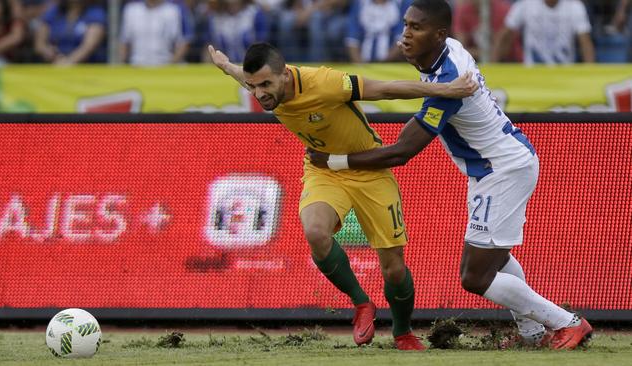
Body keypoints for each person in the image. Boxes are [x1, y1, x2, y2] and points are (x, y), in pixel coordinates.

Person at [307, 0, 593, 350]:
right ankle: (533, 333)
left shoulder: (449, 81)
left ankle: (567, 322)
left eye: (417, 28)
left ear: (440, 34)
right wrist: (415, 54)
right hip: (495, 167)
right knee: (497, 258)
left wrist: (334, 161)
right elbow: (422, 102)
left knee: (475, 276)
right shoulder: (445, 52)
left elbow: (401, 153)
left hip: (503, 170)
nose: (406, 34)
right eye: (407, 25)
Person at [209, 41, 477, 350]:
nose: (259, 94)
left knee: (393, 268)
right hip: (323, 168)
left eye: (266, 84)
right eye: (254, 87)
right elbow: (244, 75)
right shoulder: (264, 85)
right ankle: (362, 304)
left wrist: (448, 89)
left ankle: (402, 333)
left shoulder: (325, 83)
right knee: (315, 231)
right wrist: (225, 65)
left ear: (285, 75)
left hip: (369, 168)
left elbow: (386, 89)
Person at [492, 0, 595, 65]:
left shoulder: (575, 6)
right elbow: (505, 36)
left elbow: (585, 43)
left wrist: (589, 73)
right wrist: (493, 66)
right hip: (533, 72)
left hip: (564, 72)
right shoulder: (525, 4)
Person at [119, 0, 194, 66]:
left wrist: (171, 64)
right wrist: (123, 63)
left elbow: (184, 42)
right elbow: (124, 42)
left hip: (165, 65)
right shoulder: (131, 10)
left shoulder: (175, 10)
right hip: (137, 65)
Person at [34, 0, 106, 64]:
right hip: (53, 64)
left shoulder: (95, 13)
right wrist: (48, 52)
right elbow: (40, 44)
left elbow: (89, 46)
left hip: (87, 67)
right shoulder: (53, 12)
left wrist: (69, 61)